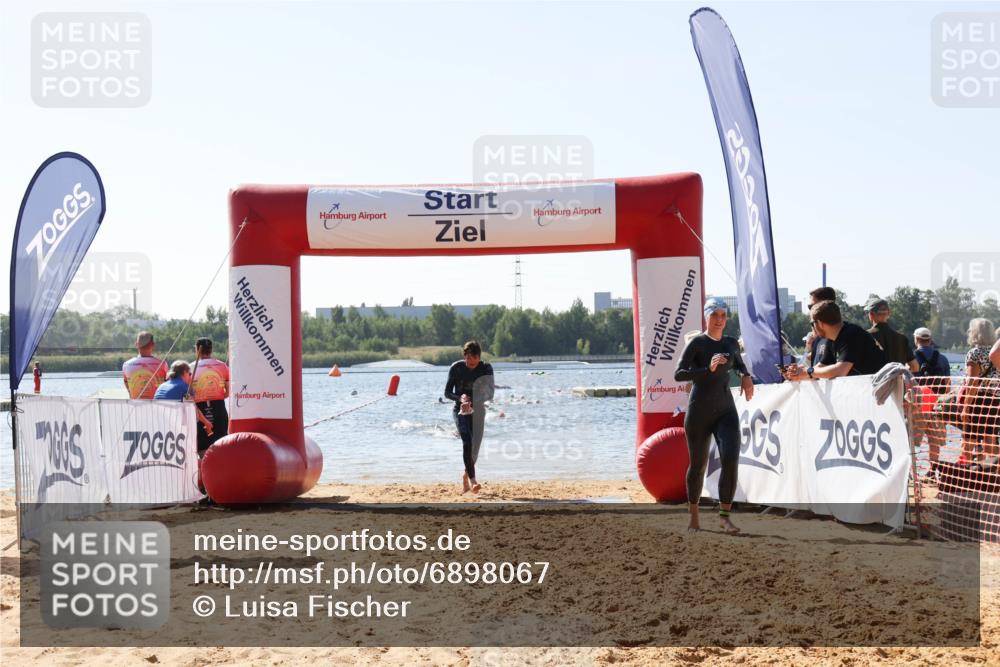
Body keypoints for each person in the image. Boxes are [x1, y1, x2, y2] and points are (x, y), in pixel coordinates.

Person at [674, 297, 753, 534]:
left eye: (723, 315)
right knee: (698, 465)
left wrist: (746, 376)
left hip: (725, 410)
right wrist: (706, 369)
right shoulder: (697, 343)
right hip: (699, 410)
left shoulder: (730, 343)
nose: (719, 320)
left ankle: (724, 517)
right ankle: (693, 516)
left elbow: (738, 363)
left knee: (730, 459)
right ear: (706, 317)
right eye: (714, 315)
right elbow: (679, 374)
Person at [783, 301, 886, 381]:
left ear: (819, 323)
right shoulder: (831, 339)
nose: (812, 327)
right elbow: (820, 368)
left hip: (881, 394)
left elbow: (840, 371)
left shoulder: (851, 334)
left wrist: (808, 371)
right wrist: (797, 374)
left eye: (812, 323)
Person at [444, 340, 495, 493]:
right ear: (464, 356)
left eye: (474, 358)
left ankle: (466, 476)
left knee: (475, 450)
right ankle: (473, 482)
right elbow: (447, 393)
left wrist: (471, 400)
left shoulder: (486, 368)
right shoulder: (456, 368)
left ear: (479, 357)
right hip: (460, 411)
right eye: (468, 358)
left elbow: (490, 394)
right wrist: (461, 399)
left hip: (478, 411)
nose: (471, 361)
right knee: (467, 442)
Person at [911, 327, 951, 481]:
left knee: (911, 441)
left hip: (918, 404)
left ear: (916, 339)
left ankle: (912, 473)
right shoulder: (943, 359)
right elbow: (948, 384)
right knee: (935, 442)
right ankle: (932, 471)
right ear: (930, 339)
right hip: (937, 405)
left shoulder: (911, 358)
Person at [959, 318, 998, 464]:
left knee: (968, 441)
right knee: (990, 440)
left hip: (977, 400)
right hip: (995, 399)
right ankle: (993, 473)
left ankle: (968, 472)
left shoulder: (975, 353)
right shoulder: (996, 353)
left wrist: (966, 407)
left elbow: (972, 382)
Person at [189, 337, 230, 453]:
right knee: (221, 444)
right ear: (211, 350)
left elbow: (188, 393)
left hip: (199, 409)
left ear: (197, 349)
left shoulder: (190, 367)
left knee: (202, 446)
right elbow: (228, 391)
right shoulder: (223, 366)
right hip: (219, 407)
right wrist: (218, 397)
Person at [154, 360, 215, 436]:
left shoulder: (161, 386)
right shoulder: (185, 387)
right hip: (173, 423)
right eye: (189, 374)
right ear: (184, 372)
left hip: (158, 422)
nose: (190, 377)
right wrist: (206, 422)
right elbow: (194, 408)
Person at [865, 297, 918, 372]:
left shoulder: (865, 336)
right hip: (897, 379)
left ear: (871, 315)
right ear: (889, 313)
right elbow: (915, 367)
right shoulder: (902, 338)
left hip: (873, 379)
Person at [123, 331, 167, 399]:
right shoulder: (163, 364)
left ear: (136, 344)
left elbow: (128, 387)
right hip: (156, 405)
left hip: (135, 405)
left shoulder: (126, 365)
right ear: (153, 345)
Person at [804, 287, 837, 368]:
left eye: (811, 306)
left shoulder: (841, 336)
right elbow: (815, 368)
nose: (810, 310)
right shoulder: (818, 338)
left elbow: (838, 369)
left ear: (824, 305)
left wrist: (807, 372)